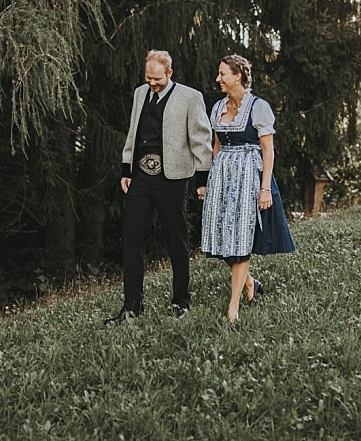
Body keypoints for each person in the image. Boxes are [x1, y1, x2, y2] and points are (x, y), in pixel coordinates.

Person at [105, 50, 213, 325]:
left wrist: (203, 180)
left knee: (176, 240)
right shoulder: (140, 93)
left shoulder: (191, 97)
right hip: (141, 178)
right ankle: (132, 307)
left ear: (170, 73)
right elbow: (133, 132)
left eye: (157, 79)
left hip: (174, 179)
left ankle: (181, 302)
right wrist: (126, 169)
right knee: (131, 237)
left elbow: (202, 140)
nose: (151, 83)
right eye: (148, 77)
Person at [200, 54, 295, 324]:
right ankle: (250, 282)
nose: (218, 79)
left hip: (248, 176)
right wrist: (208, 181)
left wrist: (265, 189)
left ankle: (233, 308)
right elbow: (216, 146)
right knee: (220, 238)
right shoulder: (218, 107)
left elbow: (268, 150)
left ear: (237, 76)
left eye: (222, 74)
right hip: (222, 176)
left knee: (240, 241)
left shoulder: (258, 107)